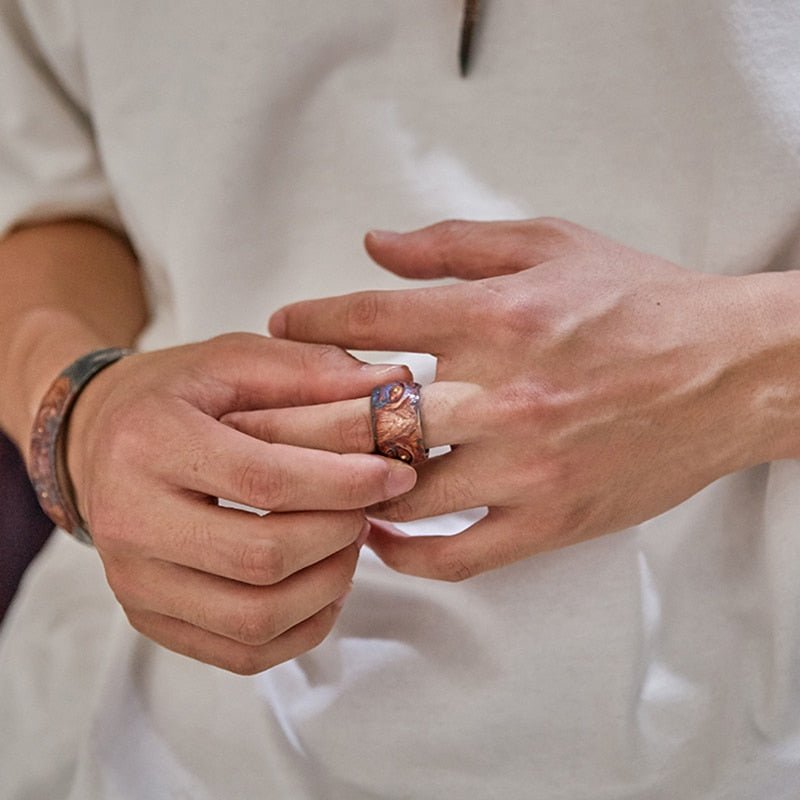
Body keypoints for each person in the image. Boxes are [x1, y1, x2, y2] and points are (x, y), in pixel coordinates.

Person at [1, 2, 799, 798]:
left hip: (743, 736)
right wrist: (82, 417)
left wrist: (743, 369)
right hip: (139, 742)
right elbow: (43, 203)